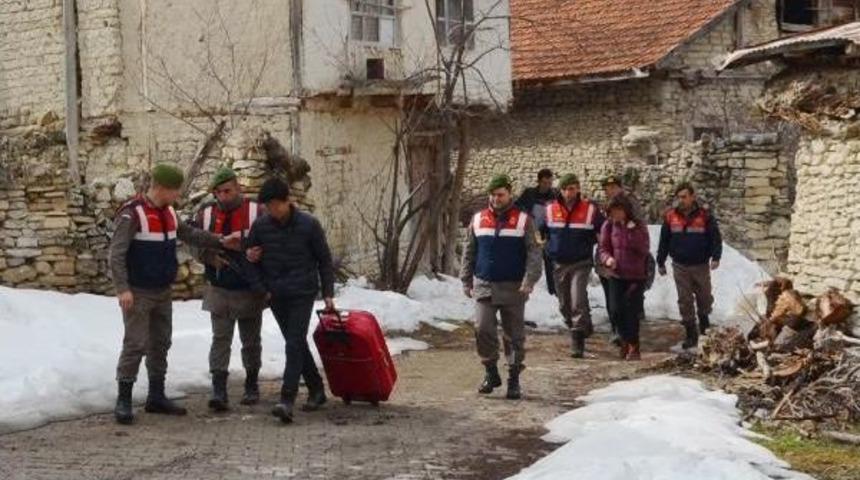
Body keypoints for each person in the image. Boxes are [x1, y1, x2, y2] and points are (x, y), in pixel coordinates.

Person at [110, 163, 242, 425]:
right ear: (161, 188)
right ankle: (123, 400)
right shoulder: (131, 213)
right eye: (175, 192)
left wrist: (219, 241)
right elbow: (116, 254)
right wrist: (123, 289)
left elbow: (189, 234)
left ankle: (156, 396)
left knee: (161, 343)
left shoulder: (169, 212)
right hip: (138, 292)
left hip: (162, 291)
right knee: (135, 344)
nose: (178, 197)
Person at [246, 177, 335, 424]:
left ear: (287, 201)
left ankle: (287, 399)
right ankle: (317, 390)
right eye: (266, 206)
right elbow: (249, 258)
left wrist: (328, 293)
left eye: (274, 205)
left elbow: (324, 260)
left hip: (303, 292)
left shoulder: (309, 225)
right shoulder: (261, 226)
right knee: (295, 342)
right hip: (275, 294)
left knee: (294, 342)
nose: (270, 210)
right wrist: (262, 289)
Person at [460, 174, 542, 400]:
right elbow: (469, 251)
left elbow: (534, 253)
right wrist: (466, 279)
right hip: (484, 284)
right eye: (493, 195)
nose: (496, 198)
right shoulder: (478, 219)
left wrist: (529, 280)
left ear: (509, 194)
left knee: (513, 336)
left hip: (514, 287)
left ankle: (514, 379)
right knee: (483, 329)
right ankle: (490, 371)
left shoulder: (524, 220)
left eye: (500, 194)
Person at [190, 167, 266, 411]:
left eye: (227, 190)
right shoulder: (205, 212)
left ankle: (252, 385)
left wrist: (254, 251)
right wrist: (208, 257)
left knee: (251, 341)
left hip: (249, 287)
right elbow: (192, 240)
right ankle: (219, 390)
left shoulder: (257, 210)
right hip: (219, 287)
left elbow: (271, 239)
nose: (223, 196)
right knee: (220, 340)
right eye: (218, 192)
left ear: (238, 188)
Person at [541, 174, 604, 358]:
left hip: (581, 261)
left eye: (574, 188)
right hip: (559, 262)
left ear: (578, 189)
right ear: (561, 190)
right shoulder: (550, 209)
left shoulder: (590, 209)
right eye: (567, 188)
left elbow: (603, 230)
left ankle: (578, 341)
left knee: (577, 299)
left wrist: (601, 247)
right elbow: (540, 230)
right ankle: (582, 324)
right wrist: (544, 243)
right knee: (564, 304)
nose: (571, 192)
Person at [656, 182, 722, 349]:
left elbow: (715, 238)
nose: (681, 200)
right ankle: (691, 333)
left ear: (693, 196)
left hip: (700, 264)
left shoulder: (705, 216)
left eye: (685, 197)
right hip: (680, 265)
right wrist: (661, 261)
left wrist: (716, 257)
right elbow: (664, 240)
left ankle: (705, 326)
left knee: (704, 297)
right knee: (685, 300)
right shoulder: (670, 216)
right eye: (679, 197)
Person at [598, 196, 650, 361]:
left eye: (618, 211)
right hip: (616, 274)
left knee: (631, 311)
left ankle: (634, 346)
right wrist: (607, 259)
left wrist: (630, 233)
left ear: (626, 210)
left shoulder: (638, 226)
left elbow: (644, 249)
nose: (616, 215)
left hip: (636, 275)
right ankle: (625, 339)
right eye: (612, 212)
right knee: (615, 310)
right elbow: (603, 248)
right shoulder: (608, 225)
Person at [515, 168, 559, 295]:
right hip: (530, 232)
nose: (547, 186)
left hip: (547, 233)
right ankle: (524, 287)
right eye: (545, 182)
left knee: (550, 262)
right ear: (539, 181)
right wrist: (526, 215)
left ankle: (553, 291)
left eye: (550, 183)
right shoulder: (529, 193)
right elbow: (517, 207)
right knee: (528, 259)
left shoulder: (555, 195)